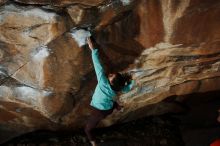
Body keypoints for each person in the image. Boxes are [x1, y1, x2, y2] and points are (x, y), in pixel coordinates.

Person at [84, 37, 134, 146]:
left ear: (111, 82)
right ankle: (118, 107)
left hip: (99, 112)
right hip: (108, 109)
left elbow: (98, 65)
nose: (110, 74)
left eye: (111, 76)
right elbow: (127, 88)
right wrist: (132, 81)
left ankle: (94, 143)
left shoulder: (103, 82)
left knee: (87, 130)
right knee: (112, 103)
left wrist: (93, 49)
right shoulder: (118, 88)